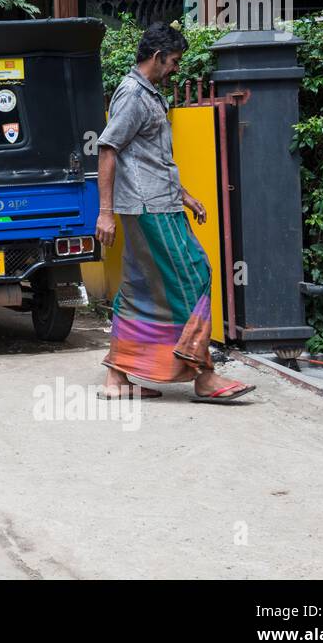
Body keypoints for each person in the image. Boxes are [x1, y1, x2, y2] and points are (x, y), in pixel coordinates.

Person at [95, 22, 255, 404]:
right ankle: (204, 376)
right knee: (194, 275)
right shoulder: (133, 94)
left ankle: (117, 379)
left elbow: (148, 157)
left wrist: (183, 195)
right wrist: (104, 213)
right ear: (156, 57)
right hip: (149, 208)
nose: (177, 68)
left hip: (156, 203)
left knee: (143, 287)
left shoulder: (147, 93)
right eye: (174, 61)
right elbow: (107, 149)